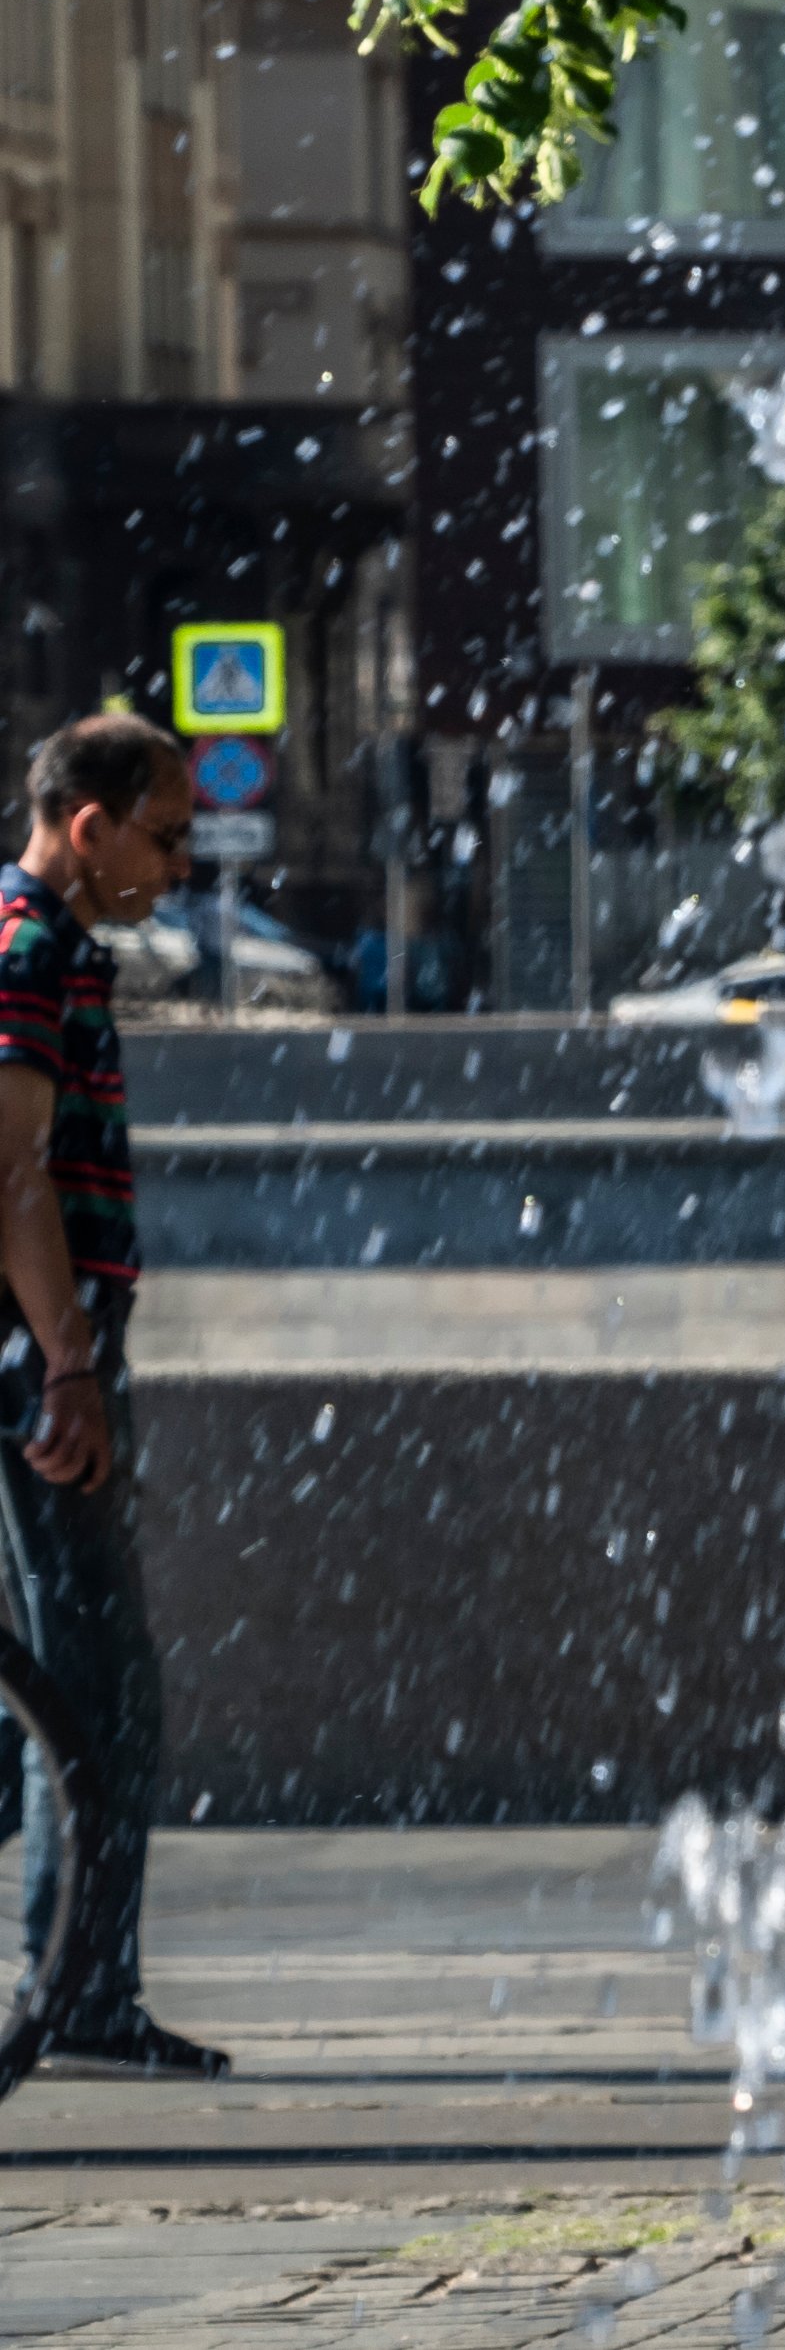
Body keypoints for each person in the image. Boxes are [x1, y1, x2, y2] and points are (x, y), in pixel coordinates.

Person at [2, 713, 226, 2074]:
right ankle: (79, 1993)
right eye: (168, 832)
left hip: (39, 1343)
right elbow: (12, 1172)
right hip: (35, 1352)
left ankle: (72, 1983)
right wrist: (70, 1359)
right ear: (91, 826)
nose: (181, 863)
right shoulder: (27, 945)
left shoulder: (51, 943)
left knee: (62, 1678)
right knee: (99, 1685)